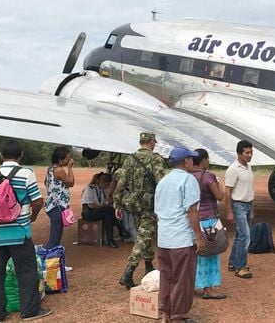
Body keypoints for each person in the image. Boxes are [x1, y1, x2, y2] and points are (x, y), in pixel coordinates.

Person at [0, 140, 51, 322]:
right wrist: (33, 215)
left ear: (1, 155)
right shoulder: (26, 173)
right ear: (21, 155)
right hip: (19, 230)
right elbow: (38, 200)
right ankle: (29, 310)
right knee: (26, 270)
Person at [154, 146, 205, 323]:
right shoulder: (188, 180)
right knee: (183, 280)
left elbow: (158, 212)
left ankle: (165, 314)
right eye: (191, 159)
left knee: (166, 276)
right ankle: (179, 317)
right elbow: (192, 211)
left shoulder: (163, 181)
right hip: (181, 239)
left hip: (164, 238)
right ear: (186, 161)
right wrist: (199, 237)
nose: (193, 162)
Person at [114, 132, 168, 289]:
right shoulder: (155, 158)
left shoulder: (130, 159)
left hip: (133, 204)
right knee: (143, 238)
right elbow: (161, 182)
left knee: (143, 234)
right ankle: (128, 272)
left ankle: (149, 266)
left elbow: (121, 182)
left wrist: (117, 203)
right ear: (151, 142)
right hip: (149, 205)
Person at [192, 148, 227, 300]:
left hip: (193, 221)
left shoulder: (188, 176)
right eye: (208, 158)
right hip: (209, 220)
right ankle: (208, 288)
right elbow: (220, 196)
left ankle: (194, 284)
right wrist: (219, 185)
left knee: (195, 254)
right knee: (211, 253)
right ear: (204, 160)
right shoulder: (208, 176)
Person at [225, 140, 254, 279]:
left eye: (251, 152)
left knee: (239, 235)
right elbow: (227, 191)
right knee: (245, 235)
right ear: (239, 154)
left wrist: (251, 206)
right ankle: (240, 267)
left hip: (248, 204)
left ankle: (233, 262)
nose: (250, 155)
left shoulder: (248, 167)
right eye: (247, 153)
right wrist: (229, 211)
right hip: (238, 206)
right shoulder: (233, 169)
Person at [81, 172, 127, 248]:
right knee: (109, 210)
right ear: (102, 182)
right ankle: (120, 228)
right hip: (89, 212)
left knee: (108, 216)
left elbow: (106, 202)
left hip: (100, 212)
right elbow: (91, 205)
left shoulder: (102, 190)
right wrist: (103, 207)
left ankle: (110, 240)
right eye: (107, 184)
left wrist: (108, 200)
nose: (107, 187)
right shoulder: (90, 188)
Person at [44, 146, 75, 250]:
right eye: (67, 159)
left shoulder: (50, 168)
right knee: (55, 238)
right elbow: (71, 182)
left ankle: (55, 262)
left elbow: (46, 182)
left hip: (51, 205)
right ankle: (49, 261)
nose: (68, 161)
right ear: (60, 159)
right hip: (57, 206)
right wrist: (70, 168)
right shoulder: (59, 170)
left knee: (56, 235)